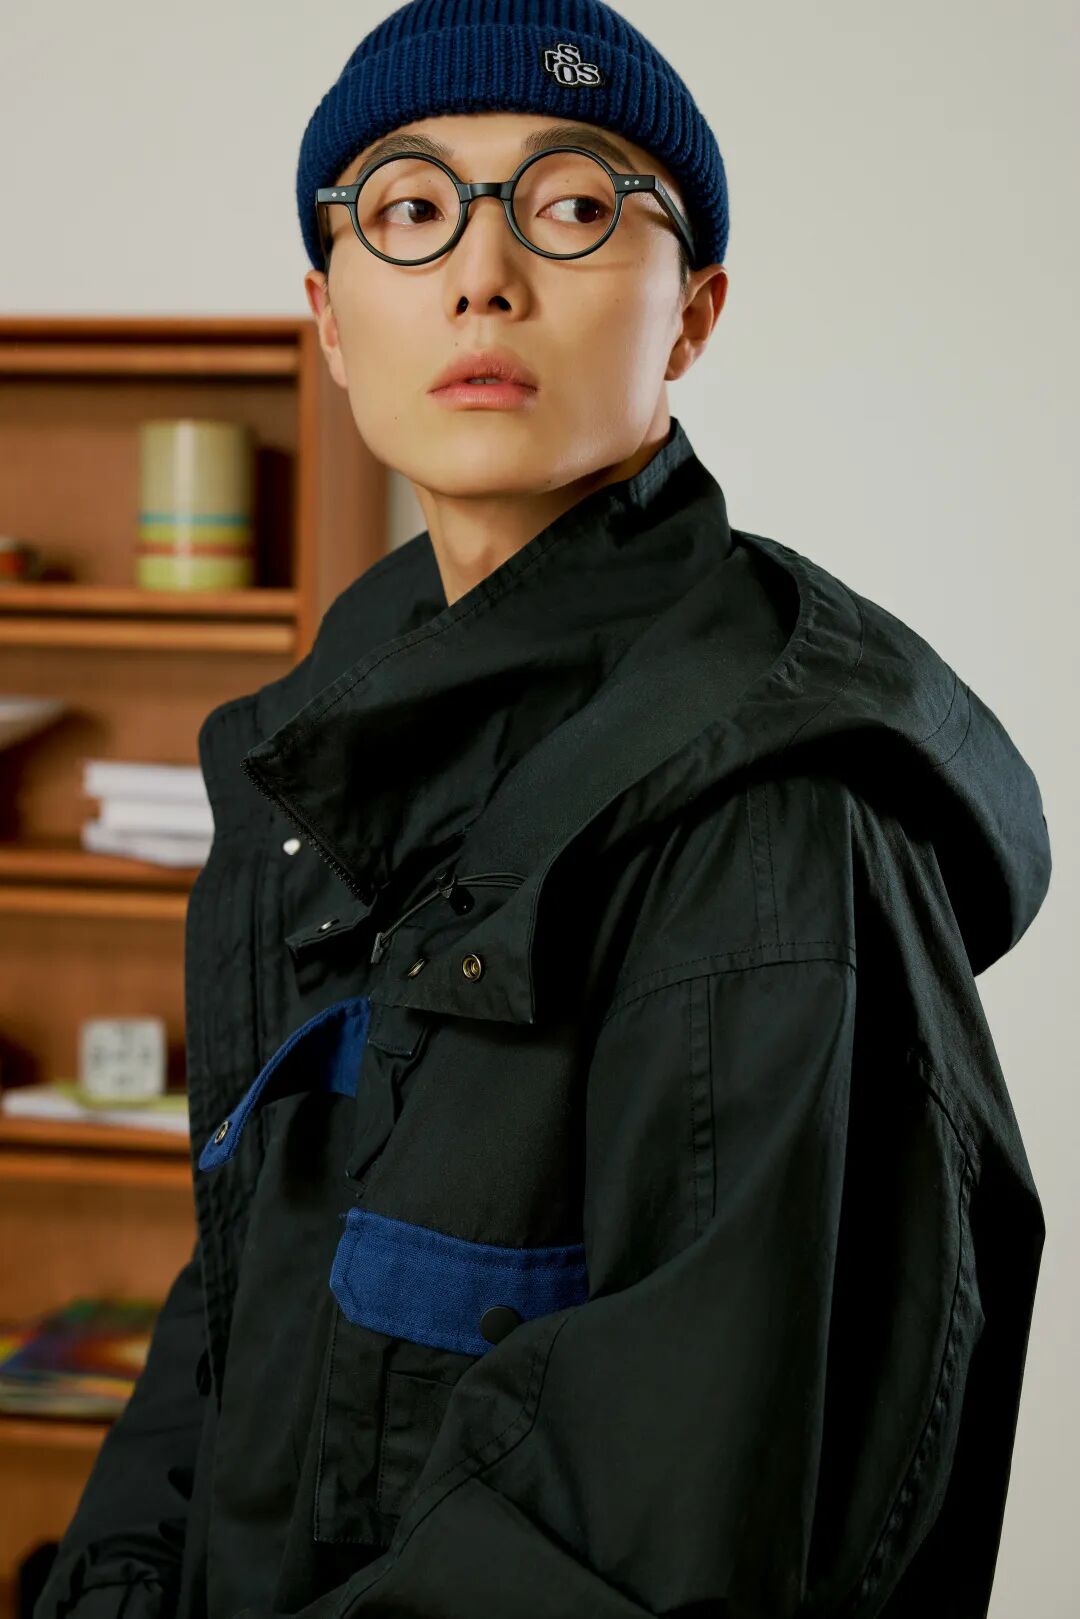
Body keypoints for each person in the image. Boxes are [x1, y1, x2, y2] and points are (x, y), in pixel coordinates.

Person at [35, 3, 1052, 1618]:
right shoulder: (332, 758)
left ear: (693, 314)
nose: (482, 274)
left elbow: (654, 1551)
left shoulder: (768, 826)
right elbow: (242, 1294)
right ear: (328, 316)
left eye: (573, 206)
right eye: (409, 207)